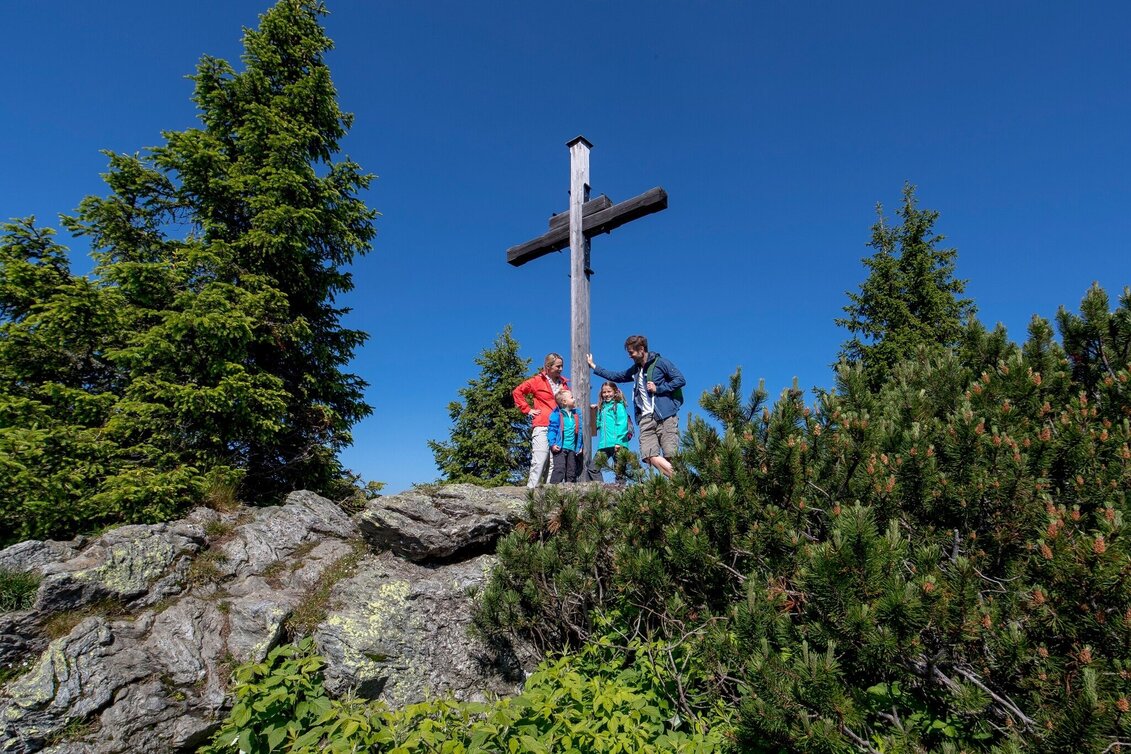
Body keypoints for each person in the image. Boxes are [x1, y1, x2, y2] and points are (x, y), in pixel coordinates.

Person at [587, 335, 685, 478]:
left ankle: (680, 486)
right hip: (645, 418)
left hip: (665, 415)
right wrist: (594, 366)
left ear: (641, 349)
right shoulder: (635, 370)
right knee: (648, 456)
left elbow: (680, 380)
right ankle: (681, 479)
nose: (629, 356)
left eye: (631, 352)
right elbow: (617, 377)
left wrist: (659, 388)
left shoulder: (661, 363)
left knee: (670, 455)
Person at [513, 352, 568, 488]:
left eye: (562, 366)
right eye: (558, 366)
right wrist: (527, 409)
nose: (561, 369)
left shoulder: (564, 384)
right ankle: (530, 494)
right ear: (548, 366)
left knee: (554, 464)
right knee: (540, 460)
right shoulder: (538, 380)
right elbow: (517, 392)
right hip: (543, 424)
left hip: (558, 427)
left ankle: (549, 496)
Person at [591, 381, 634, 483]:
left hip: (618, 444)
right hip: (604, 445)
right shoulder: (602, 409)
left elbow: (622, 424)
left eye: (609, 391)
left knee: (620, 473)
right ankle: (601, 491)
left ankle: (621, 494)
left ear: (615, 392)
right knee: (593, 468)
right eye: (604, 392)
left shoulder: (618, 406)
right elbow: (597, 425)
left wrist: (618, 442)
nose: (606, 394)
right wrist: (594, 411)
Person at [547, 390, 583, 484]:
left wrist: (579, 446)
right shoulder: (557, 414)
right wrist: (552, 444)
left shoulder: (576, 414)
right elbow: (552, 429)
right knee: (559, 469)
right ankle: (552, 491)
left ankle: (570, 493)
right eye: (571, 397)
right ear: (564, 402)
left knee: (571, 471)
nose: (574, 399)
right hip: (560, 448)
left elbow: (579, 432)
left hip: (572, 449)